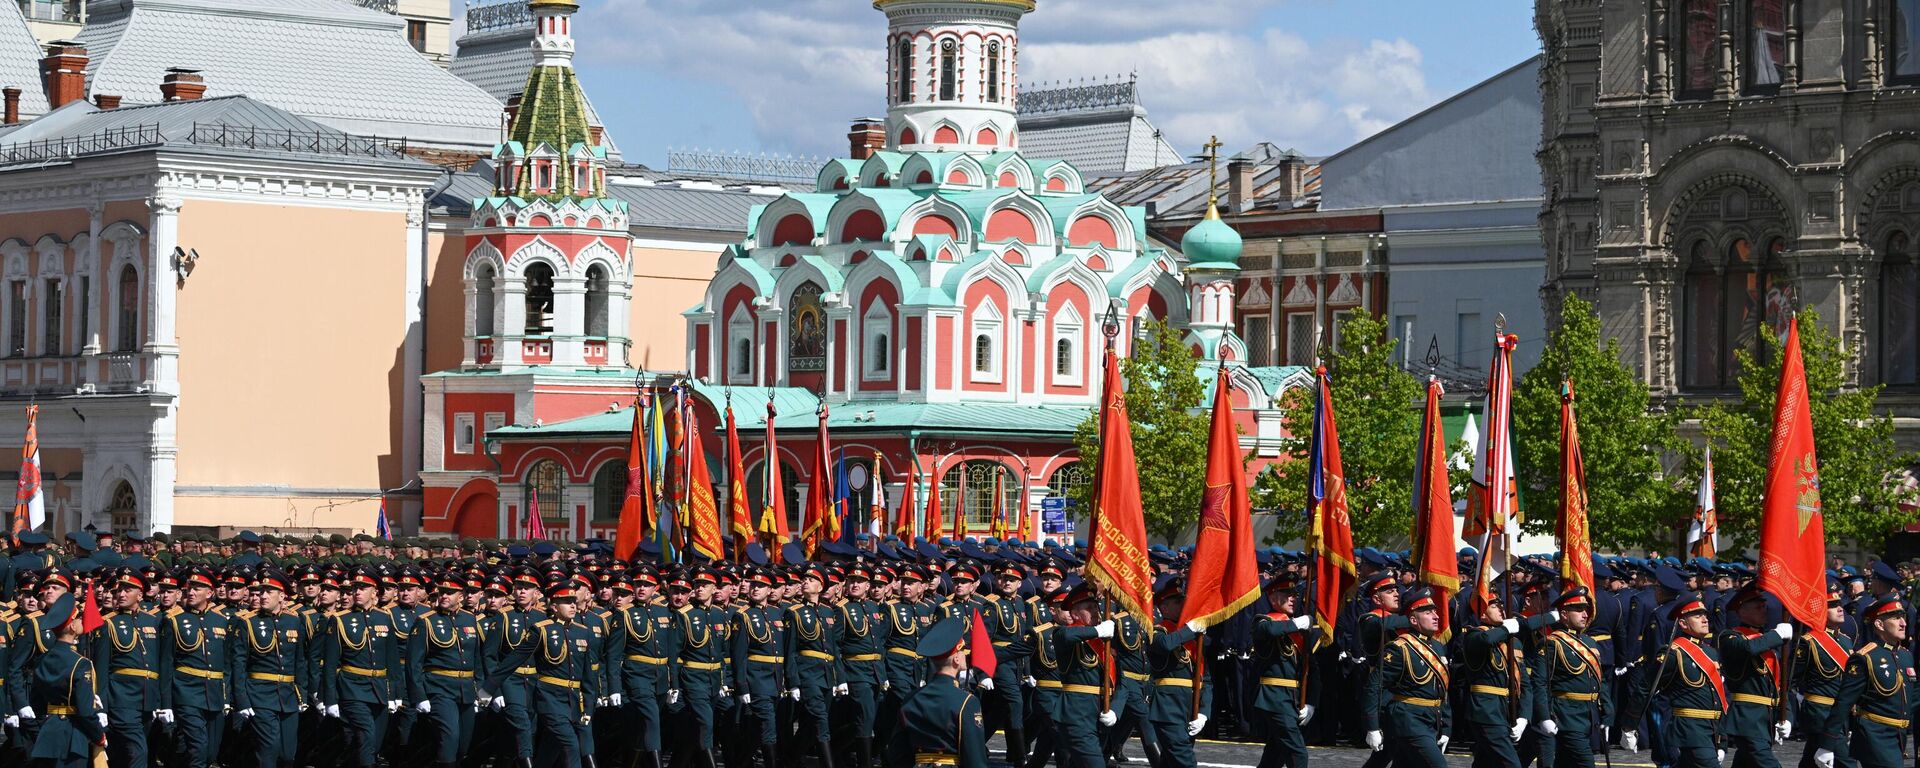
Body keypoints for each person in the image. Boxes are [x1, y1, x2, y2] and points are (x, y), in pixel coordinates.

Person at [1618, 592, 1726, 768]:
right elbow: (1646, 688)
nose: (1705, 619)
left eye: (1705, 615)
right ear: (1683, 623)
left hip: (1710, 731)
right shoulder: (1673, 653)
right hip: (1690, 732)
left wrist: (1722, 740)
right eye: (1697, 616)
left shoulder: (1711, 653)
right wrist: (1629, 726)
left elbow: (1718, 699)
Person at [1814, 596, 1913, 768]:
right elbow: (1844, 702)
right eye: (1896, 618)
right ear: (1879, 625)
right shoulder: (1865, 657)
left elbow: (1914, 696)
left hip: (1899, 736)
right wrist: (1827, 744)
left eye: (1903, 617)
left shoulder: (1905, 655)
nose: (1903, 623)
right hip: (1875, 736)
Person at [1460, 589, 1552, 768]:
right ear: (1482, 613)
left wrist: (1524, 717)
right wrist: (1506, 628)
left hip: (1506, 711)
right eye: (1494, 605)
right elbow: (1486, 640)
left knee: (1485, 763)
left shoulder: (1514, 643)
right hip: (1486, 711)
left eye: (1502, 604)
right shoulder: (1473, 635)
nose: (1501, 609)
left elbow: (1524, 684)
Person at [882, 616, 987, 768]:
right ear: (956, 659)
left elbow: (897, 753)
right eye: (963, 650)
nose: (966, 654)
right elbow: (975, 759)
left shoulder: (911, 698)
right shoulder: (967, 702)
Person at [233, 569, 309, 768]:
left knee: (288, 754)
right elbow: (239, 663)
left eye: (269, 591)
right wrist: (242, 699)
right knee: (268, 749)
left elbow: (299, 661)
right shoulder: (248, 622)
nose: (263, 596)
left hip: (288, 696)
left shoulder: (294, 620)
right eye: (261, 591)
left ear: (282, 596)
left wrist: (302, 693)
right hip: (260, 694)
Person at [159, 568, 232, 768]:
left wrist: (226, 697)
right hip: (186, 692)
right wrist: (166, 703)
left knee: (210, 754)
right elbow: (166, 663)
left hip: (215, 695)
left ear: (210, 593)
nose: (191, 592)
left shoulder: (222, 621)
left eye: (197, 588)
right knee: (198, 748)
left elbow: (227, 664)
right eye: (190, 588)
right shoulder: (174, 620)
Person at [407, 575, 479, 768]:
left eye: (450, 593)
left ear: (461, 596)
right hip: (439, 688)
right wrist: (419, 696)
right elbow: (414, 663)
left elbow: (476, 658)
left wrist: (481, 690)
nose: (444, 596)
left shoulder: (470, 619)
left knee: (463, 745)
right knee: (450, 738)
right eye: (442, 592)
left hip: (466, 691)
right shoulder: (426, 621)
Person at [1716, 585, 1792, 768]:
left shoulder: (1765, 641)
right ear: (1742, 611)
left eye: (1764, 606)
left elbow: (1778, 685)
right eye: (1758, 607)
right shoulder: (1730, 637)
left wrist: (1786, 715)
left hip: (1766, 717)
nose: (1764, 610)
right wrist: (1777, 634)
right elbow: (1747, 649)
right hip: (1747, 718)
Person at [26, 592, 104, 768]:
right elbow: (85, 712)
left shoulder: (43, 659)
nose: (81, 622)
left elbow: (36, 704)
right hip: (73, 736)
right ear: (72, 628)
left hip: (48, 734)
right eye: (78, 619)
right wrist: (99, 735)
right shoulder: (81, 663)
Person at [1377, 589, 1451, 768]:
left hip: (1431, 719)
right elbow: (1374, 685)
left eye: (1435, 611)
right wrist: (1372, 725)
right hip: (1409, 720)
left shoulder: (1437, 647)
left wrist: (1447, 726)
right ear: (1413, 620)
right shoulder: (1400, 647)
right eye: (1428, 612)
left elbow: (1442, 690)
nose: (1436, 616)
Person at [1539, 587, 1611, 768]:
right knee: (1586, 763)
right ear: (1564, 614)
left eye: (1585, 609)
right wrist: (1544, 715)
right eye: (1578, 610)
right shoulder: (1552, 643)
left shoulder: (1590, 642)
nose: (1585, 614)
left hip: (1589, 716)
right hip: (1566, 716)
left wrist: (1608, 710)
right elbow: (1540, 683)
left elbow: (1599, 680)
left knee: (1565, 763)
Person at [1250, 575, 1314, 768]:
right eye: (1286, 594)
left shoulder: (1298, 629)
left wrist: (1311, 702)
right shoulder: (1263, 621)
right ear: (1272, 597)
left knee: (1274, 755)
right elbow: (1268, 631)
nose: (1293, 598)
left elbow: (1313, 669)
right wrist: (1296, 624)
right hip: (1274, 697)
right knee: (1298, 754)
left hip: (1293, 698)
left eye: (1295, 594)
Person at [1146, 577, 1210, 768]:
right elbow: (1165, 645)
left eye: (1183, 600)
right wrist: (1190, 629)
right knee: (1185, 762)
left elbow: (1205, 679)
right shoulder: (1156, 632)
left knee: (1170, 763)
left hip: (1190, 709)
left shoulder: (1193, 638)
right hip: (1168, 709)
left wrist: (1204, 712)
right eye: (1177, 602)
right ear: (1163, 608)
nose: (1183, 605)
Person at [1791, 586, 1852, 768]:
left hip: (1840, 712)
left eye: (1840, 604)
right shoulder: (1809, 642)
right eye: (1833, 606)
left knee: (1811, 759)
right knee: (1845, 761)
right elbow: (1792, 679)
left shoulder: (1846, 640)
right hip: (1820, 712)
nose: (1840, 609)